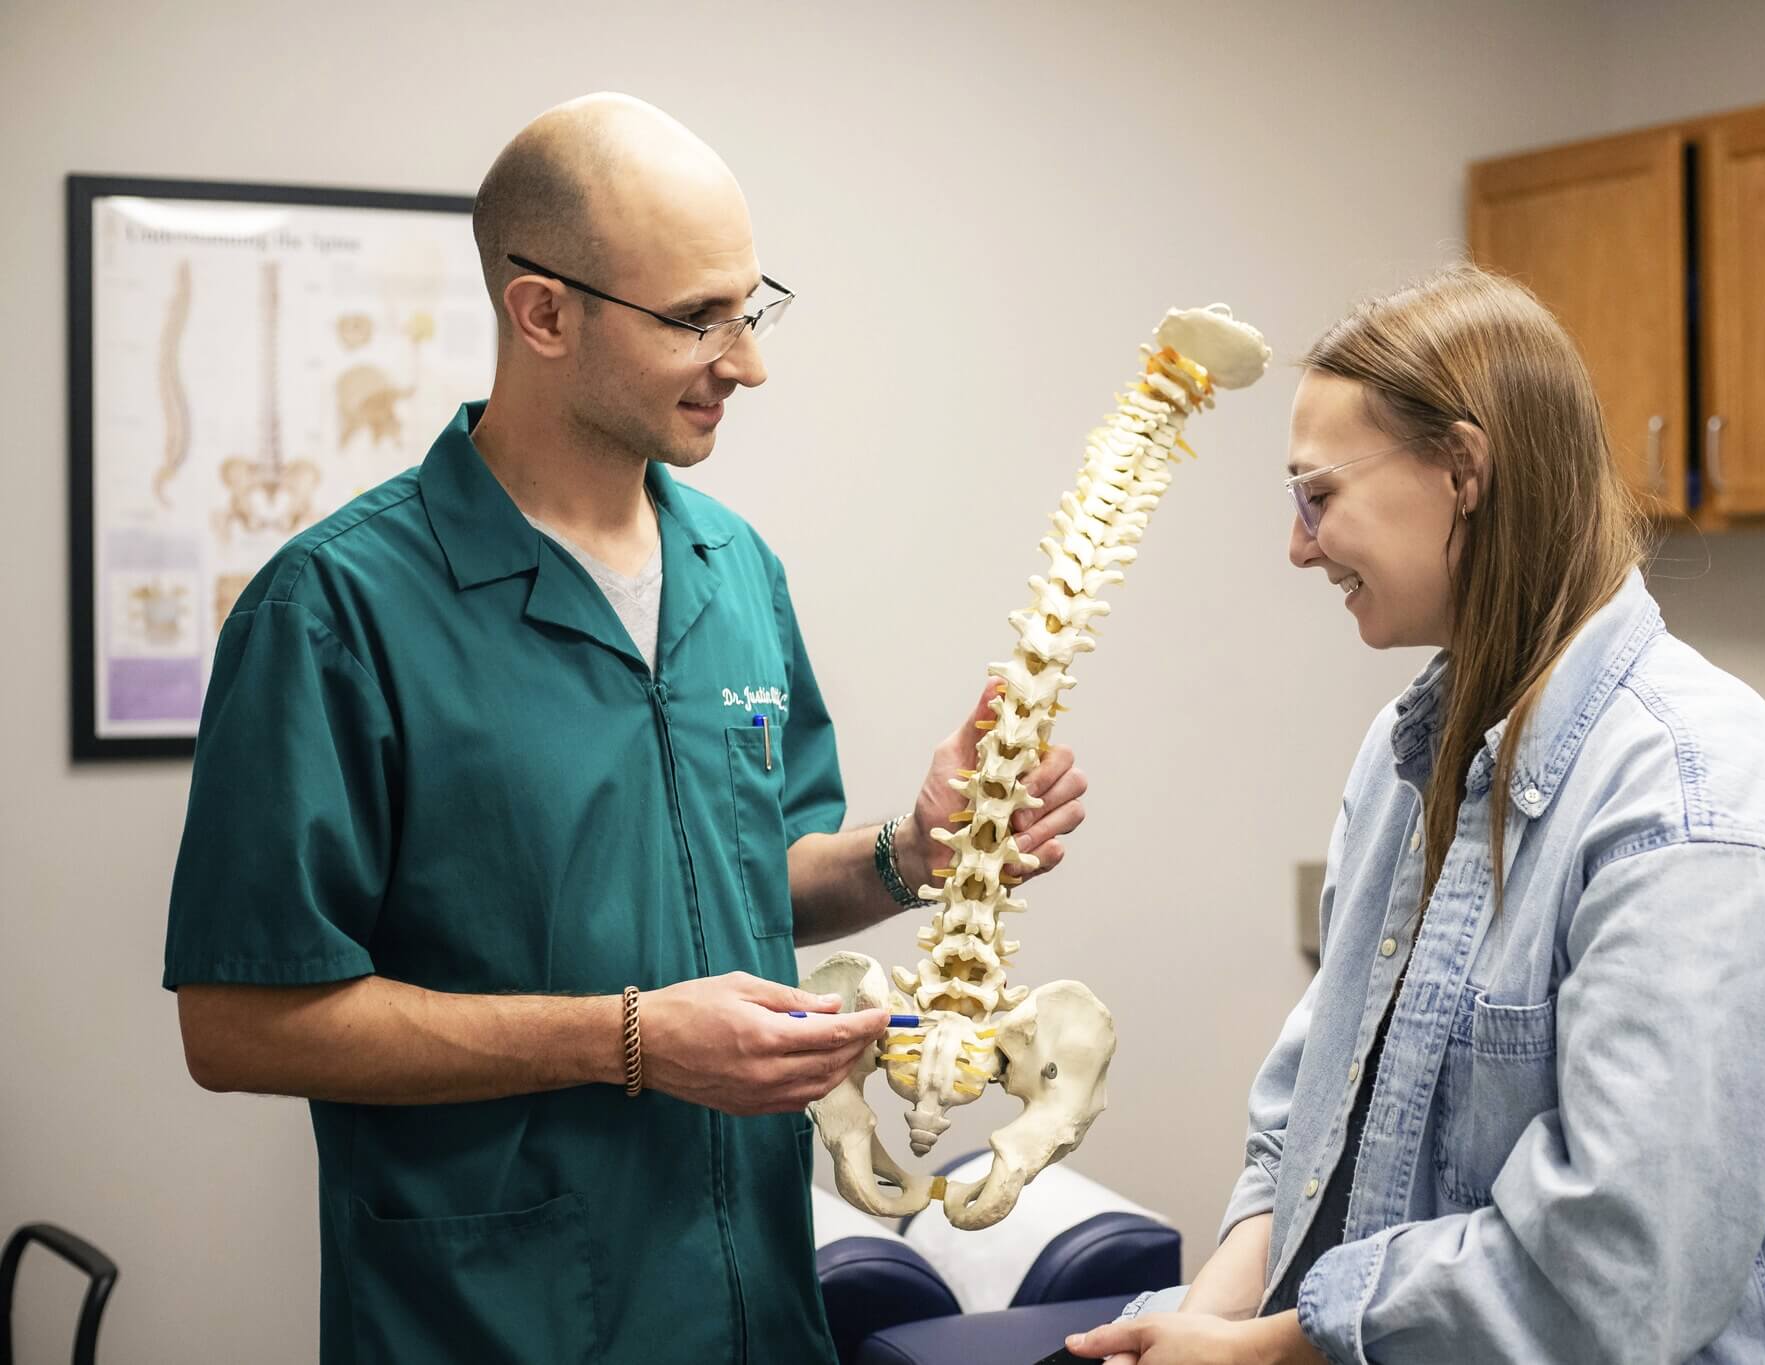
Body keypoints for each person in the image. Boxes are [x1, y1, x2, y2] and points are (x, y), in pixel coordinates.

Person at [164, 93, 1089, 1364]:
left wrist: (909, 858)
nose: (747, 360)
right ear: (542, 313)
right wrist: (629, 1041)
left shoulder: (735, 569)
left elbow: (745, 881)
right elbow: (237, 1022)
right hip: (496, 1316)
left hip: (755, 1303)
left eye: (749, 306)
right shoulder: (335, 610)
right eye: (694, 320)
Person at [1068, 265, 1765, 1364]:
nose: (1296, 546)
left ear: (1461, 469)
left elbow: (1617, 1269)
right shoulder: (1403, 759)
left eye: (1316, 496)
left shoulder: (1698, 808)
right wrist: (1204, 1321)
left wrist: (1274, 1350)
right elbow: (1305, 1132)